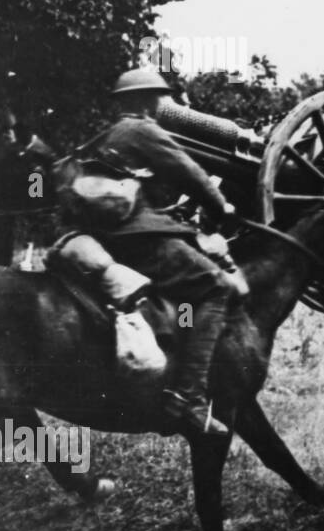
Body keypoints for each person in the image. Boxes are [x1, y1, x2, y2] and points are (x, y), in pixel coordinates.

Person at [83, 68, 238, 436]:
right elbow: (192, 174)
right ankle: (189, 400)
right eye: (157, 97)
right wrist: (222, 209)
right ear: (143, 101)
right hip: (139, 237)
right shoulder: (144, 130)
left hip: (105, 237)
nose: (161, 104)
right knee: (217, 286)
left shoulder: (107, 135)